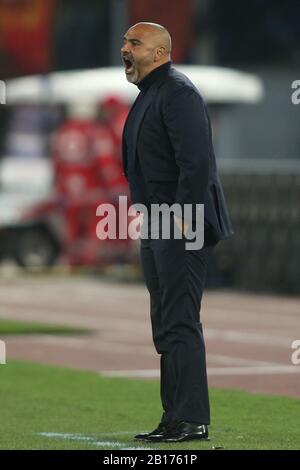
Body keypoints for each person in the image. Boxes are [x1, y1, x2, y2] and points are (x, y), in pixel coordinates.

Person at [120, 22, 233, 443]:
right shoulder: (153, 93)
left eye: (135, 43)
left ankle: (191, 420)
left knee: (181, 320)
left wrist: (183, 217)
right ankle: (175, 417)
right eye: (125, 41)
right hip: (160, 222)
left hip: (179, 225)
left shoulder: (178, 92)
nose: (124, 48)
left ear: (160, 52)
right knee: (166, 322)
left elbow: (197, 161)